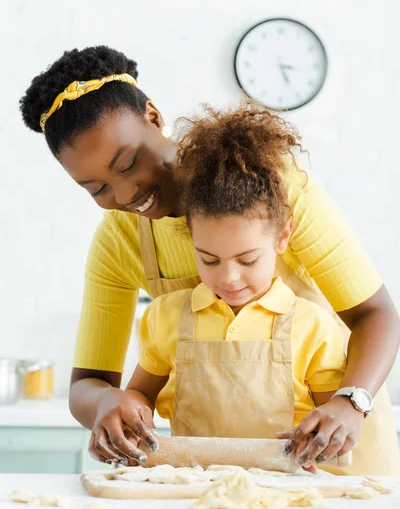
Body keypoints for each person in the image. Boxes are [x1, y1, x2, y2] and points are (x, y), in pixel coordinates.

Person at [19, 45, 400, 474]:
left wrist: (354, 400)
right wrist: (109, 403)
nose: (123, 195)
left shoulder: (272, 183)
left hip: (334, 446)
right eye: (96, 189)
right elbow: (87, 385)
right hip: (214, 472)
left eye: (127, 163)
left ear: (153, 117)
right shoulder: (117, 242)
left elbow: (375, 313)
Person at [126, 104, 354, 474]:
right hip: (190, 492)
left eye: (247, 260)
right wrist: (131, 410)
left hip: (285, 496)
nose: (229, 278)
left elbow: (332, 426)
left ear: (282, 237)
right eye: (209, 260)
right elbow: (140, 394)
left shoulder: (315, 328)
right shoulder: (166, 317)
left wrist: (325, 435)